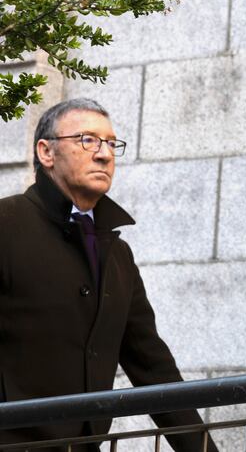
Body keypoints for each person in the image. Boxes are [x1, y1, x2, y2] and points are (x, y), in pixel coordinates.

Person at [0, 99, 217, 451]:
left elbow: (152, 367)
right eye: (87, 140)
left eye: (111, 143)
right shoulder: (6, 225)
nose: (104, 154)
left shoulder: (117, 255)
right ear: (46, 152)